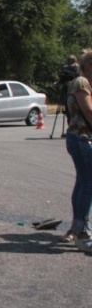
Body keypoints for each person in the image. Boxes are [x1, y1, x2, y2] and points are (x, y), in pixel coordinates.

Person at [62, 50, 92, 251]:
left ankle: (76, 228)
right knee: (88, 184)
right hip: (81, 139)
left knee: (82, 182)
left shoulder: (84, 83)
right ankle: (81, 233)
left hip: (79, 138)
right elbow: (89, 113)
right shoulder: (81, 82)